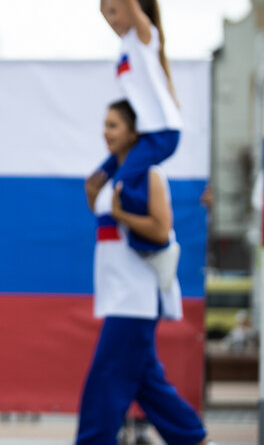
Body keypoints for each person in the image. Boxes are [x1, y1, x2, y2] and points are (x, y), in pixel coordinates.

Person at [78, 99, 211, 445]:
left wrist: (121, 214)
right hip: (118, 294)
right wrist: (95, 199)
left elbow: (161, 231)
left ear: (134, 132)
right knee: (147, 383)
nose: (105, 132)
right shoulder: (111, 178)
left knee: (105, 380)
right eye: (105, 124)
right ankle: (194, 438)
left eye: (114, 125)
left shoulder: (150, 174)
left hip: (136, 297)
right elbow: (112, 230)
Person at [92, 0, 183, 256]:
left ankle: (155, 244)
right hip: (147, 133)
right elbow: (103, 6)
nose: (112, 17)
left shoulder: (145, 37)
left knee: (122, 187)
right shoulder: (127, 41)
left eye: (118, 11)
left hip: (163, 133)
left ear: (134, 10)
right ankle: (136, 228)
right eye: (112, 13)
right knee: (100, 178)